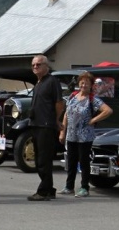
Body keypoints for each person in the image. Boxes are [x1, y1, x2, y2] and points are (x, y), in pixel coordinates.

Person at [59, 71, 113, 198]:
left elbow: (108, 110)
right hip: (71, 135)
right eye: (82, 83)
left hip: (85, 136)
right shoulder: (73, 96)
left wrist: (93, 120)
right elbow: (66, 114)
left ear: (91, 85)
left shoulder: (93, 99)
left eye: (87, 83)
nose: (84, 85)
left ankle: (84, 187)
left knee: (84, 161)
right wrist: (62, 131)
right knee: (71, 161)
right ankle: (69, 186)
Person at [27, 55, 64, 201]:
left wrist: (55, 120)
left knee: (43, 160)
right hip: (36, 124)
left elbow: (59, 103)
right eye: (33, 65)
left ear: (46, 66)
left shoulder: (52, 81)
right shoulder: (38, 83)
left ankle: (43, 191)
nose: (35, 67)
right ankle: (49, 189)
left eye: (38, 64)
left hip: (46, 125)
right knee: (39, 159)